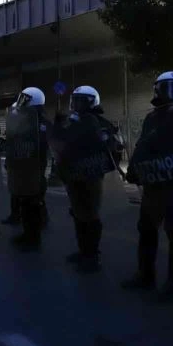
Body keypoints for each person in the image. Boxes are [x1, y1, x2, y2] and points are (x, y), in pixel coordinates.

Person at [123, 72, 173, 298]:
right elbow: (142, 146)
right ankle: (145, 275)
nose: (171, 93)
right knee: (147, 229)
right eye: (168, 88)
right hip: (154, 185)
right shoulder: (152, 118)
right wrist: (134, 169)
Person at [51, 86, 120, 270]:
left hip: (90, 176)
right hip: (74, 176)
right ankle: (83, 251)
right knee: (78, 213)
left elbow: (111, 147)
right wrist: (58, 126)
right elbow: (61, 144)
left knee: (90, 214)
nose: (76, 105)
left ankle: (93, 255)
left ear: (91, 102)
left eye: (82, 101)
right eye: (76, 100)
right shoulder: (73, 122)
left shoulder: (99, 122)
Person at [5, 88, 50, 250]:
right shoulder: (26, 119)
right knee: (25, 202)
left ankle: (33, 238)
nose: (21, 102)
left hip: (35, 168)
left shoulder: (41, 122)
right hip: (23, 166)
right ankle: (28, 233)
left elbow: (43, 145)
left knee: (32, 203)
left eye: (25, 99)